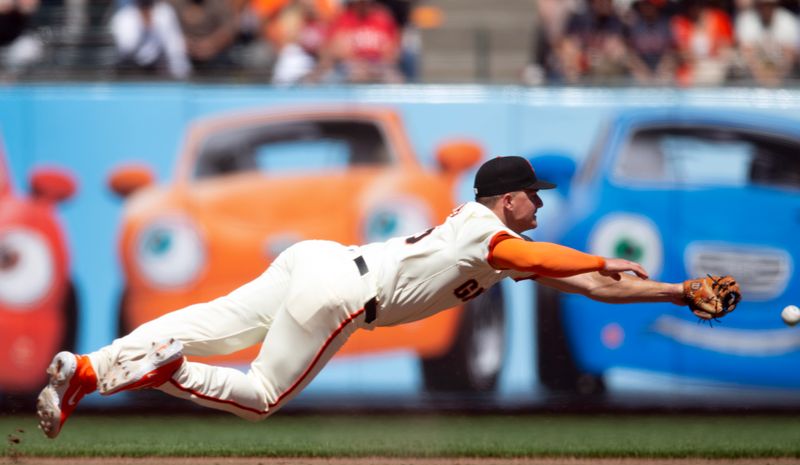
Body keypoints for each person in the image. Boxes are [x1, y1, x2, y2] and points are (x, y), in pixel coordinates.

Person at [38, 155, 701, 439]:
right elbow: (546, 257)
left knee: (200, 321)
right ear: (507, 198)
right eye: (534, 195)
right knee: (261, 395)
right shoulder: (485, 229)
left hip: (318, 260)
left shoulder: (493, 246)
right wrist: (594, 254)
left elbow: (586, 283)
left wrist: (674, 290)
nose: (538, 203)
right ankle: (170, 370)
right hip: (345, 290)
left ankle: (88, 370)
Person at [110, 0, 192, 79]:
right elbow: (126, 50)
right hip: (131, 69)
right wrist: (143, 27)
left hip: (157, 70)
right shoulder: (123, 17)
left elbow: (174, 47)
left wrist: (181, 73)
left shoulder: (165, 13)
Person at [735, 0, 799, 87]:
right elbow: (748, 54)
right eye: (763, 5)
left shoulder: (787, 20)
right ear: (757, 5)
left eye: (770, 5)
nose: (766, 8)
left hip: (783, 79)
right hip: (751, 78)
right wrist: (762, 79)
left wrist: (776, 79)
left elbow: (789, 56)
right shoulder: (747, 19)